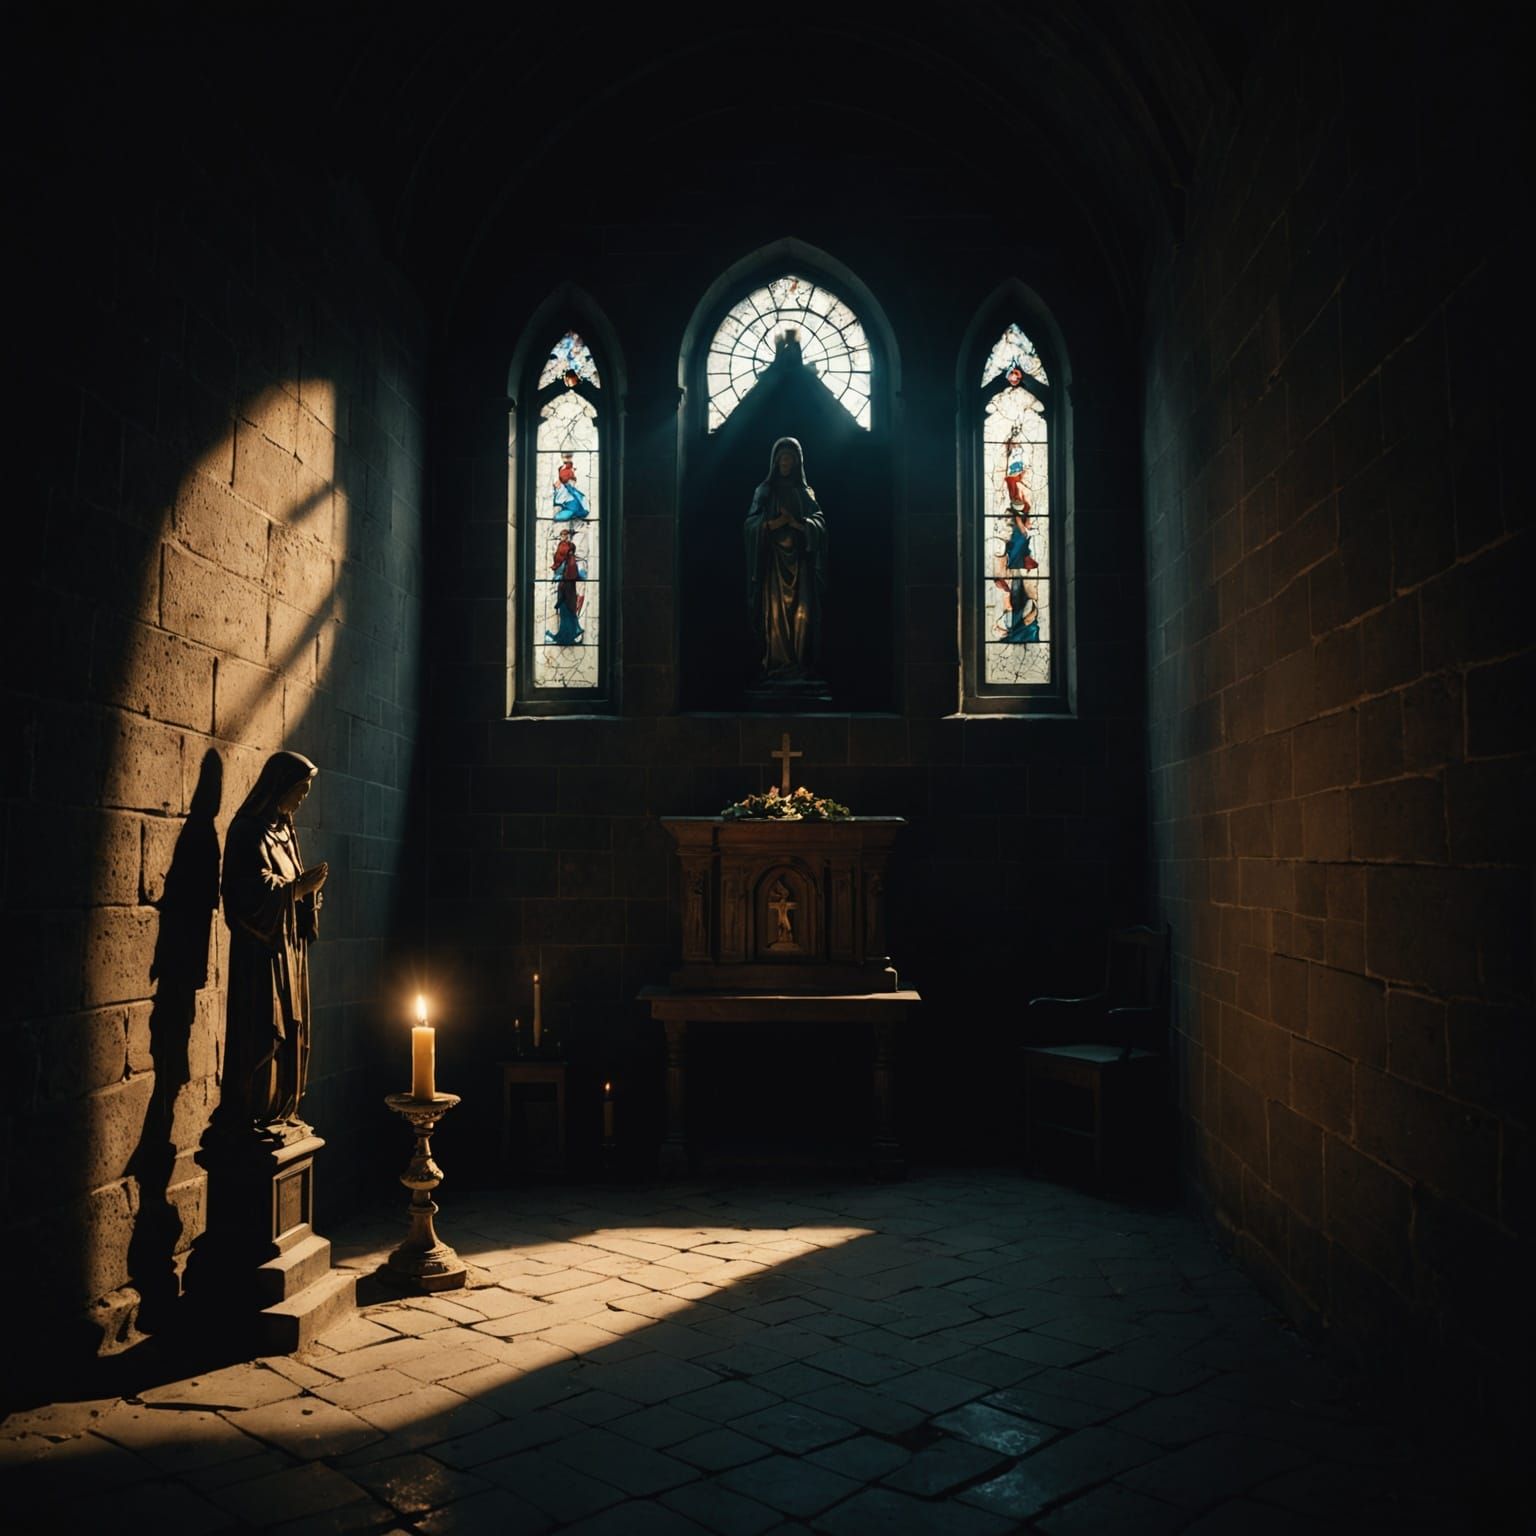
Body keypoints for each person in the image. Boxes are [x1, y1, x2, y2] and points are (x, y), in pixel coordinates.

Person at [220, 751, 327, 1129]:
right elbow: (243, 893)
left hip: (288, 951)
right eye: (299, 791)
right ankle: (254, 1110)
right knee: (264, 1031)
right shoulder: (246, 830)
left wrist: (308, 895)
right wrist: (298, 888)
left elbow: (292, 887)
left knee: (292, 1034)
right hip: (261, 958)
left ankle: (283, 1107)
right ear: (278, 786)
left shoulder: (284, 831)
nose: (301, 800)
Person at [743, 436, 827, 683]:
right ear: (776, 461)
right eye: (782, 457)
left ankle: (800, 665)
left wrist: (799, 525)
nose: (786, 462)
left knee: (803, 615)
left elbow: (820, 524)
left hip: (800, 565)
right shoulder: (765, 491)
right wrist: (771, 524)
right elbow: (749, 525)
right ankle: (776, 666)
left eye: (791, 457)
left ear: (797, 462)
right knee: (775, 617)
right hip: (773, 568)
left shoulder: (804, 493)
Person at [545, 530, 585, 644]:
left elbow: (571, 568)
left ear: (567, 536)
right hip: (565, 584)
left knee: (567, 609)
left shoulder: (569, 550)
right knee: (565, 610)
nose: (563, 537)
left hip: (567, 585)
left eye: (565, 535)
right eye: (562, 535)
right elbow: (559, 563)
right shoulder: (563, 547)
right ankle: (567, 634)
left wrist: (565, 577)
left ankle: (568, 636)